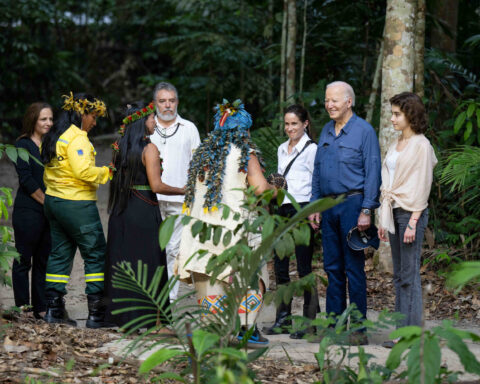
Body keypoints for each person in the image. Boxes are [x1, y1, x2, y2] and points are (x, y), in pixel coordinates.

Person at [176, 99, 275, 346]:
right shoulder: (244, 153)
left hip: (201, 230)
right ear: (244, 130)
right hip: (236, 229)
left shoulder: (202, 155)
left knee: (208, 275)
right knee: (252, 276)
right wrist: (275, 187)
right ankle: (247, 330)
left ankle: (213, 329)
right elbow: (261, 189)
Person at [308, 81, 381, 345]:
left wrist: (367, 210)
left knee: (354, 269)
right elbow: (318, 170)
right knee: (332, 268)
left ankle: (358, 329)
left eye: (334, 100)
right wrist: (315, 205)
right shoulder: (327, 130)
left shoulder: (364, 131)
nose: (329, 105)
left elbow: (373, 172)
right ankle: (334, 326)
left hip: (353, 204)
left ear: (348, 102)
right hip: (328, 206)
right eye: (327, 100)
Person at [105, 102, 185, 330]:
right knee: (150, 263)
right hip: (143, 211)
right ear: (142, 122)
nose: (155, 122)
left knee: (125, 263)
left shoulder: (119, 146)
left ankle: (126, 320)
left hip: (122, 211)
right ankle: (155, 322)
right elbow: (157, 185)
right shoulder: (149, 149)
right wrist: (184, 190)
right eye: (151, 119)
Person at [41, 92, 111, 328]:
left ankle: (53, 309)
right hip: (77, 204)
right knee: (95, 254)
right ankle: (96, 314)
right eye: (93, 116)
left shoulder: (57, 136)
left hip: (54, 202)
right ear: (82, 113)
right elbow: (83, 171)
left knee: (60, 253)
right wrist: (107, 172)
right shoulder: (78, 138)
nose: (95, 121)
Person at [378, 92, 437, 348]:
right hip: (393, 210)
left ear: (410, 115)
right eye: (392, 113)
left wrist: (413, 221)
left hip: (411, 212)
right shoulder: (396, 143)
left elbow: (423, 185)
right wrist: (383, 218)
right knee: (399, 275)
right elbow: (388, 181)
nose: (392, 118)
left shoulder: (421, 145)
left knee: (409, 274)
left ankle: (411, 334)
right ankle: (403, 330)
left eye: (396, 114)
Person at [265, 104, 320, 339]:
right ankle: (283, 318)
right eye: (287, 124)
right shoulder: (281, 149)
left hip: (304, 209)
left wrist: (315, 211)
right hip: (283, 209)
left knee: (305, 267)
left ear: (305, 124)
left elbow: (317, 181)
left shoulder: (312, 149)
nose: (290, 128)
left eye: (294, 124)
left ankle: (309, 322)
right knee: (280, 266)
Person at [149, 82, 200, 301]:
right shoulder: (147, 128)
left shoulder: (189, 128)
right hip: (151, 199)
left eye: (171, 100)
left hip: (181, 201)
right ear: (155, 104)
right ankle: (150, 298)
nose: (168, 105)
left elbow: (198, 164)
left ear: (177, 102)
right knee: (152, 249)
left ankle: (168, 301)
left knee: (174, 250)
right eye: (162, 101)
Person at [12, 102, 53, 319]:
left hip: (47, 212)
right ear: (33, 121)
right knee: (23, 260)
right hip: (28, 211)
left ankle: (41, 307)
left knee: (42, 261)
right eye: (43, 119)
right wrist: (47, 202)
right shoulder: (23, 145)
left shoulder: (51, 145)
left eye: (50, 119)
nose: (48, 123)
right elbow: (26, 179)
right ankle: (22, 307)